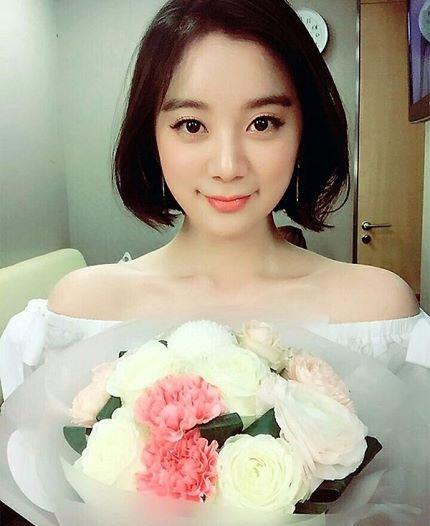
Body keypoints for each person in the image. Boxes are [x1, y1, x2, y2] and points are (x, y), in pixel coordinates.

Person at [1, 0, 429, 402]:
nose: (228, 167)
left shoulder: (379, 314)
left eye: (262, 123)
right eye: (191, 125)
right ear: (151, 136)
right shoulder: (80, 313)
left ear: (305, 129)